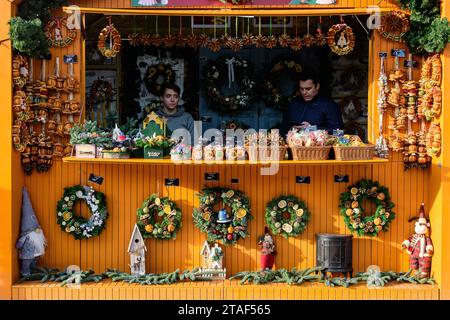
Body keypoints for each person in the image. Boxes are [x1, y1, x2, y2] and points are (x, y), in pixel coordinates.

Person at [281, 71, 344, 136]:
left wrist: (312, 129)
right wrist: (291, 129)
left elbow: (339, 133)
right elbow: (283, 129)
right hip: (294, 144)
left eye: (308, 89)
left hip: (319, 145)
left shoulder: (330, 105)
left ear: (317, 86)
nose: (304, 92)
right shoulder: (293, 104)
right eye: (301, 89)